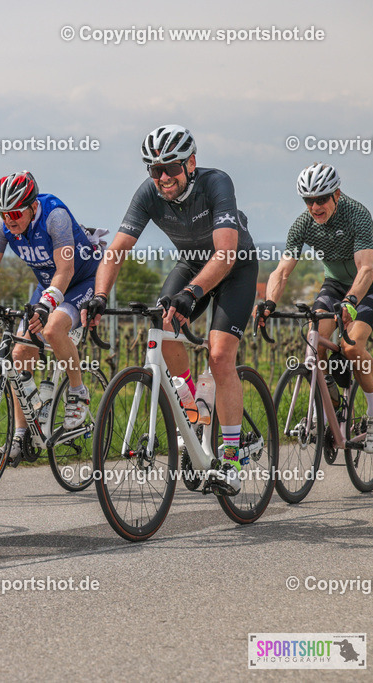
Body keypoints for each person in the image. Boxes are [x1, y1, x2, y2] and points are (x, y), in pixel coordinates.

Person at [82, 124, 258, 495]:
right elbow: (116, 250)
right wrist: (98, 295)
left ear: (190, 163)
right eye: (155, 169)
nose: (163, 177)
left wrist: (192, 293)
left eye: (172, 168)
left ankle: (230, 459)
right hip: (192, 264)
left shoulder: (216, 183)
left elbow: (226, 254)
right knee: (164, 330)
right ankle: (192, 409)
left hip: (235, 267)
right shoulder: (149, 192)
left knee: (220, 356)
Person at [0, 171, 99, 466]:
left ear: (33, 206)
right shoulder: (3, 225)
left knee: (54, 329)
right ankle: (21, 435)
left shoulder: (55, 216)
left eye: (15, 213)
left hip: (81, 281)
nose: (9, 219)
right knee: (19, 353)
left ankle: (77, 391)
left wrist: (46, 305)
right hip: (48, 286)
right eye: (3, 213)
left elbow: (66, 270)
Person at [259, 162, 373, 449]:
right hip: (335, 283)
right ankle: (331, 405)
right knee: (315, 344)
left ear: (336, 194)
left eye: (321, 199)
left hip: (371, 283)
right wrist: (269, 302)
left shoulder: (357, 214)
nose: (315, 207)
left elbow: (365, 268)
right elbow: (282, 271)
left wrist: (351, 302)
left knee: (351, 347)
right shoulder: (303, 224)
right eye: (308, 200)